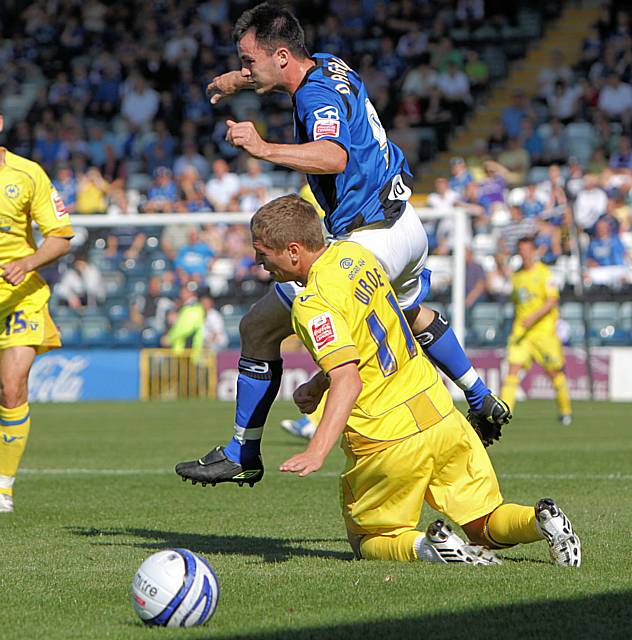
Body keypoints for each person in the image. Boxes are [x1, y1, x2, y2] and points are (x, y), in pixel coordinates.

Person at [176, 2, 509, 487]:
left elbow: (332, 156)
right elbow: (288, 74)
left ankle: (242, 450)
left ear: (283, 55)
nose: (246, 67)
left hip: (367, 236)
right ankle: (479, 394)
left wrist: (263, 147)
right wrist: (238, 80)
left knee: (258, 329)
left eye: (249, 60)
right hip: (407, 227)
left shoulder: (313, 101)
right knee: (410, 315)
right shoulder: (330, 63)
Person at [237, 195, 581, 566]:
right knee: (484, 524)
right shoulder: (358, 258)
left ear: (292, 251)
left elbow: (349, 380)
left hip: (386, 434)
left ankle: (434, 550)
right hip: (439, 413)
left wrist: (316, 449)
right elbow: (376, 336)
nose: (259, 263)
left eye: (263, 253)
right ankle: (541, 520)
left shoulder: (312, 303)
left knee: (368, 539)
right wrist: (318, 384)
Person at [0, 113, 74, 513]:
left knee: (12, 388)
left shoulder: (28, 174)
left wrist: (27, 263)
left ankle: (2, 488)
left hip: (20, 297)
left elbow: (60, 237)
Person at [500, 237, 573, 425]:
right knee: (512, 371)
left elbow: (552, 300)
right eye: (521, 250)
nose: (524, 253)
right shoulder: (517, 277)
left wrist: (532, 317)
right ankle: (503, 414)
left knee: (554, 373)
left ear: (534, 251)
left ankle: (565, 411)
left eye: (527, 249)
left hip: (543, 333)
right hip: (522, 334)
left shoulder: (544, 274)